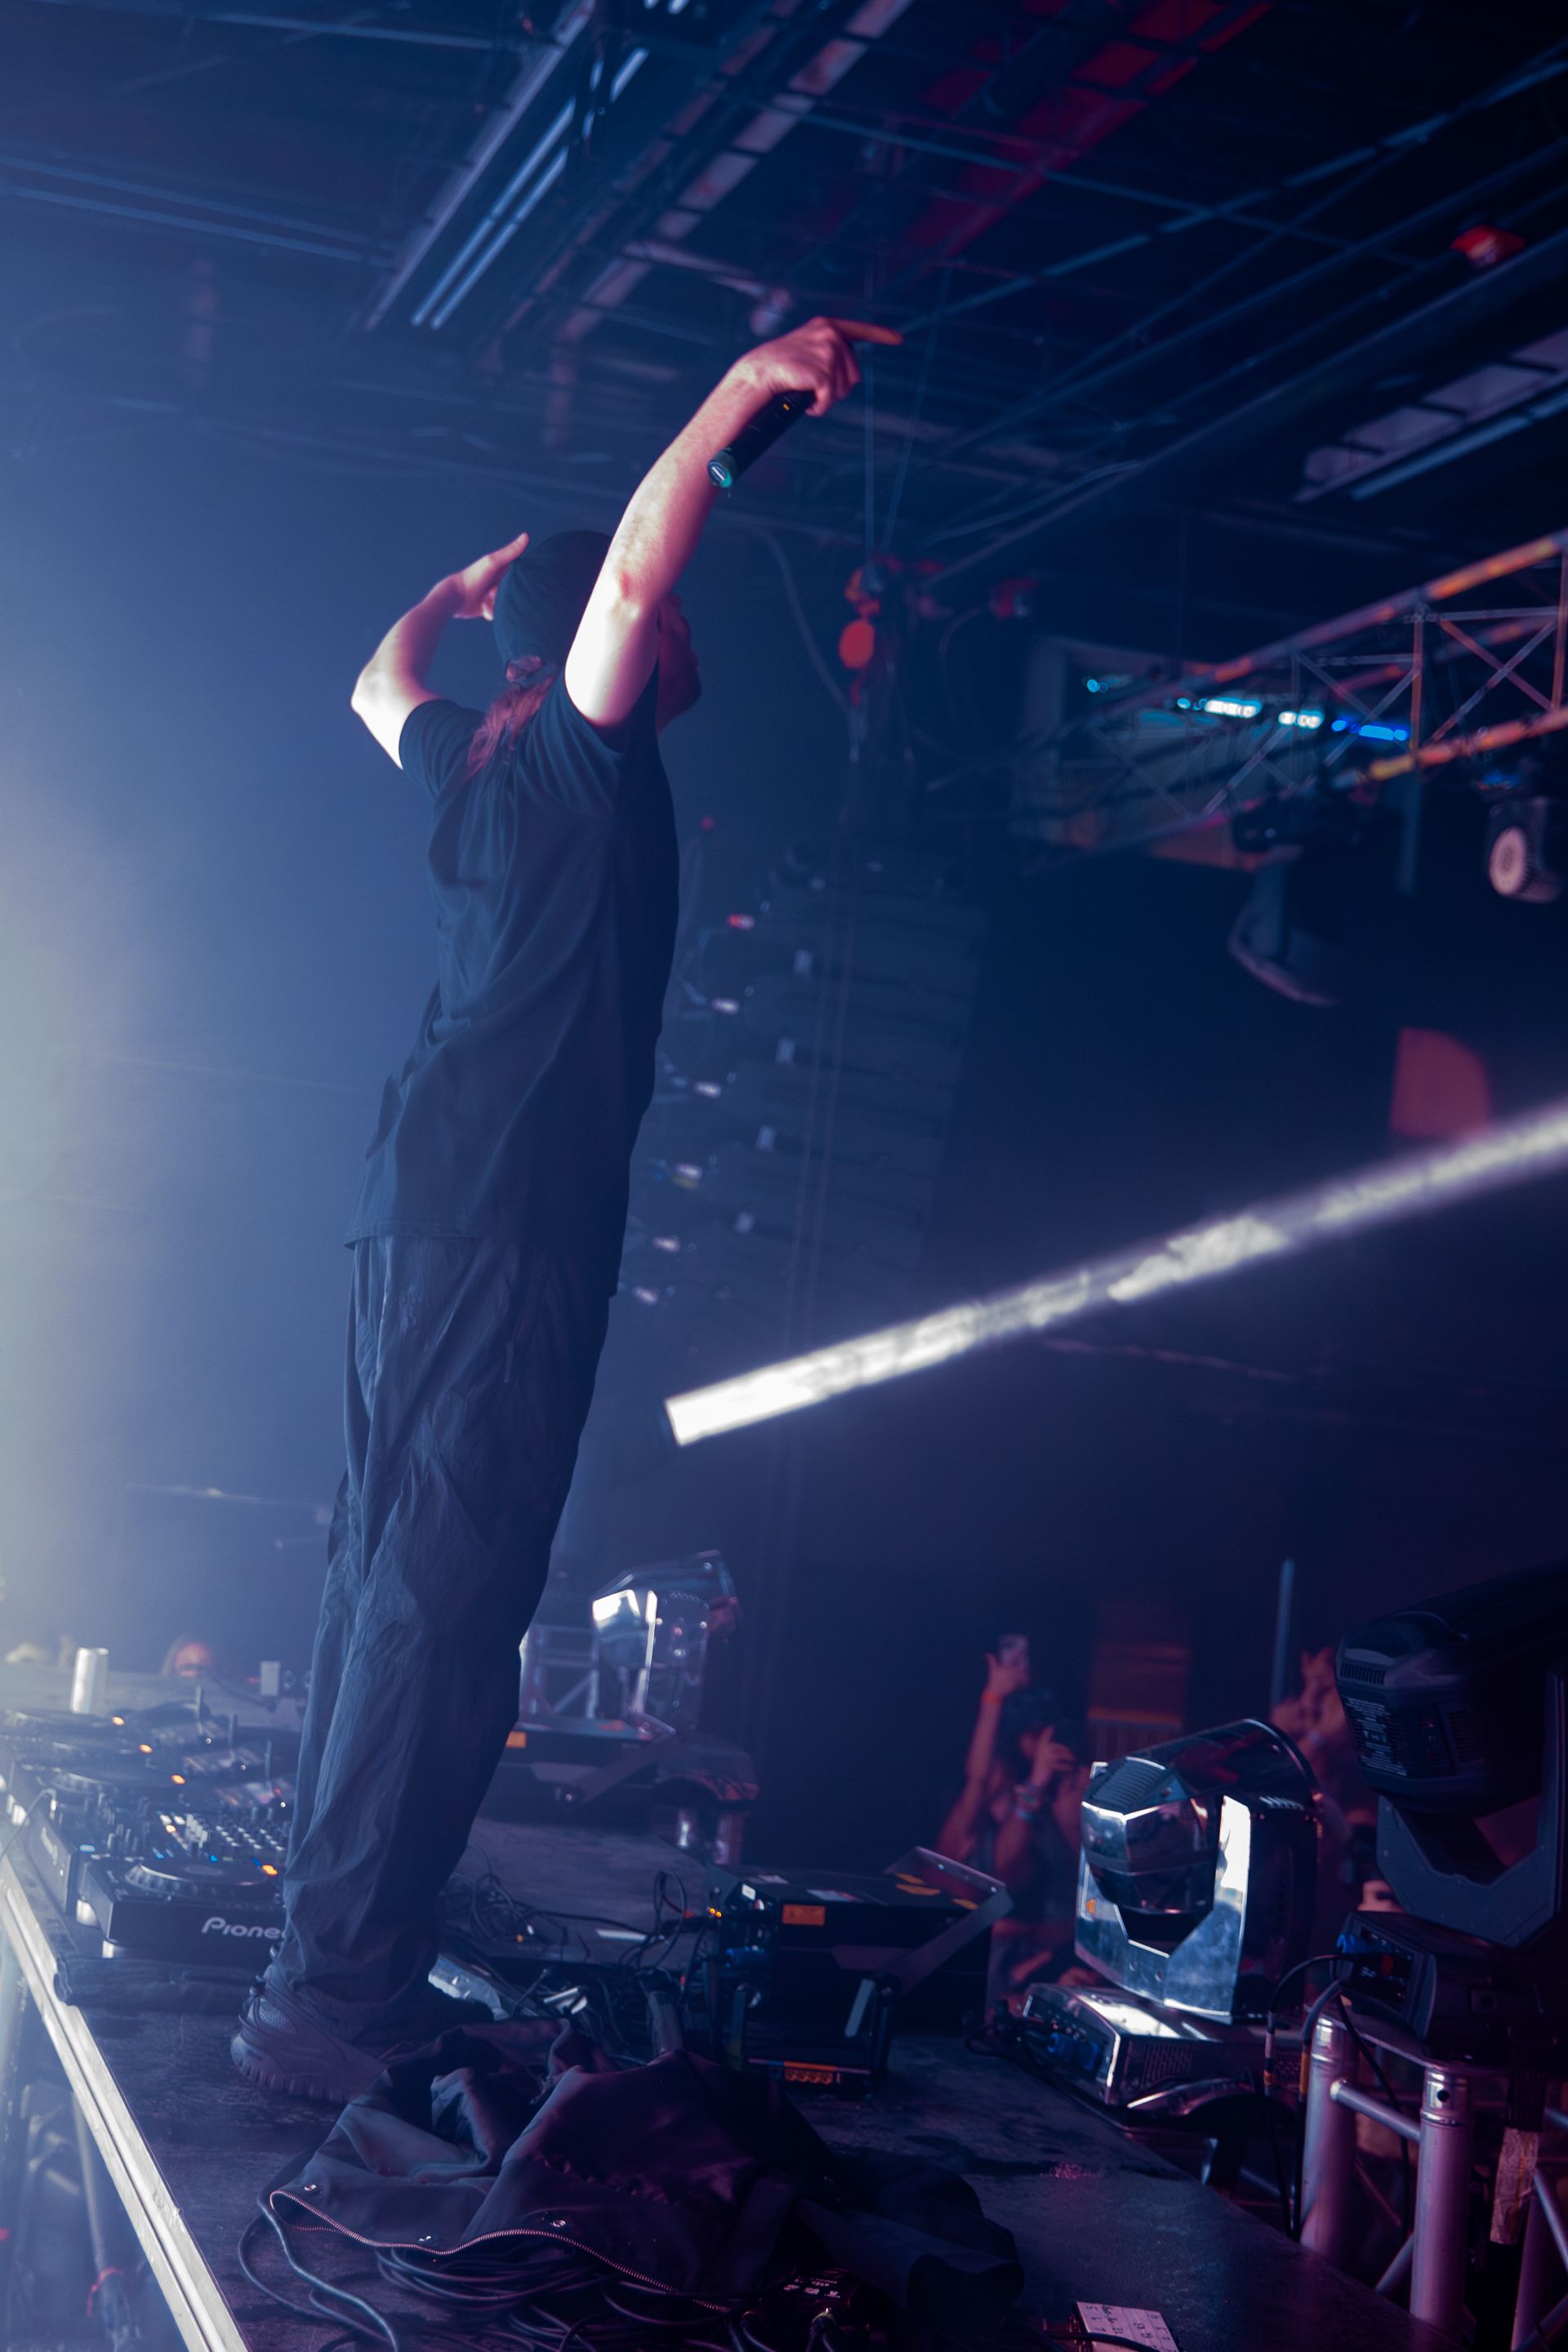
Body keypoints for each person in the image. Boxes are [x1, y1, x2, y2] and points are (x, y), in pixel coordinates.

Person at [231, 315, 897, 2102]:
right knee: (442, 1599)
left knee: (387, 1585)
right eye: (665, 621)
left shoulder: (471, 772)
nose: (677, 636)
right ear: (612, 652)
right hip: (506, 1227)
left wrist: (444, 596)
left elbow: (375, 685)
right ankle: (333, 2001)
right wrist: (748, 392)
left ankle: (330, 1971)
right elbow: (623, 578)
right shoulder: (573, 766)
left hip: (420, 1216)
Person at [937, 1646, 1091, 2000]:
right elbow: (977, 1778)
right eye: (1033, 1736)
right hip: (978, 1969)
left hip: (1043, 1962)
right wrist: (992, 1696)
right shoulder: (968, 1827)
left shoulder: (1048, 1813)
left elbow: (1078, 1890)